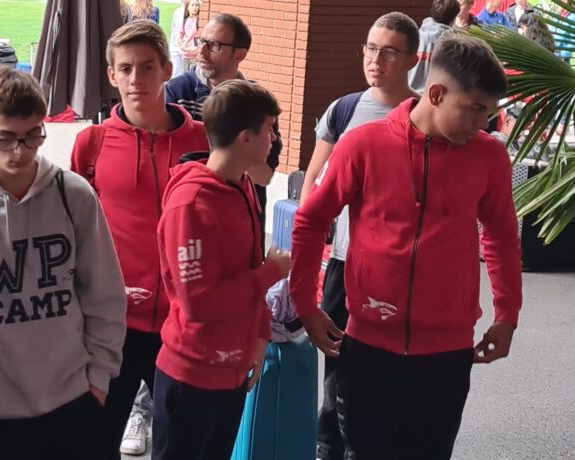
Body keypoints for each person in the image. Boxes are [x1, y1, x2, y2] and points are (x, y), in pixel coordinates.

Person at [288, 34, 524, 459]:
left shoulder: (488, 156)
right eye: (474, 109)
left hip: (447, 354)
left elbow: (502, 237)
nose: (482, 124)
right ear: (436, 94)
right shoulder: (363, 144)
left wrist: (508, 315)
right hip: (368, 347)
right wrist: (305, 303)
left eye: (489, 113)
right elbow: (311, 219)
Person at [0, 65, 128, 460]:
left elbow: (104, 295)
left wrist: (99, 378)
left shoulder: (74, 195)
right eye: (6, 139)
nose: (20, 151)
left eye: (33, 136)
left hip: (74, 399)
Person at [74, 20, 210, 459]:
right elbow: (74, 235)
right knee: (95, 441)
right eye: (126, 68)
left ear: (167, 69)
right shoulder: (92, 143)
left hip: (182, 322)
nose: (136, 79)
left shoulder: (204, 141)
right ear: (111, 75)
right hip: (112, 323)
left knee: (182, 445)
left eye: (147, 67)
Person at [295, 12, 423, 459]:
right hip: (345, 263)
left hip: (400, 269)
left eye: (389, 52)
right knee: (338, 368)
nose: (375, 59)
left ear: (412, 59)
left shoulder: (425, 116)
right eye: (371, 48)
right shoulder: (344, 109)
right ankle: (328, 447)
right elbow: (312, 187)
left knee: (392, 371)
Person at [151, 79, 293, 460]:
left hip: (231, 372)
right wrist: (272, 272)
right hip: (192, 378)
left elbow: (248, 268)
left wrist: (259, 337)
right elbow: (200, 304)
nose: (274, 140)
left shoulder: (243, 186)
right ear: (246, 137)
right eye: (270, 130)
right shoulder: (191, 204)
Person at [163, 14, 278, 193]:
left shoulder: (258, 101)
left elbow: (263, 176)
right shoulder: (176, 92)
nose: (201, 52)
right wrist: (239, 149)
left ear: (239, 55)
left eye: (214, 45)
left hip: (241, 204)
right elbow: (167, 160)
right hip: (191, 197)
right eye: (201, 41)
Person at [407, 0, 460, 94]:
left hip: (409, 94)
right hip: (435, 98)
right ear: (454, 17)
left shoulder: (415, 37)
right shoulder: (455, 45)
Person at [167, 0, 200, 77]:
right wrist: (183, 46)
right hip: (185, 54)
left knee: (193, 76)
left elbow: (199, 36)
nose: (195, 7)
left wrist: (195, 48)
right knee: (183, 75)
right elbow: (179, 35)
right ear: (188, 7)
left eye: (196, 5)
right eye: (192, 5)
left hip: (194, 55)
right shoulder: (185, 19)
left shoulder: (199, 20)